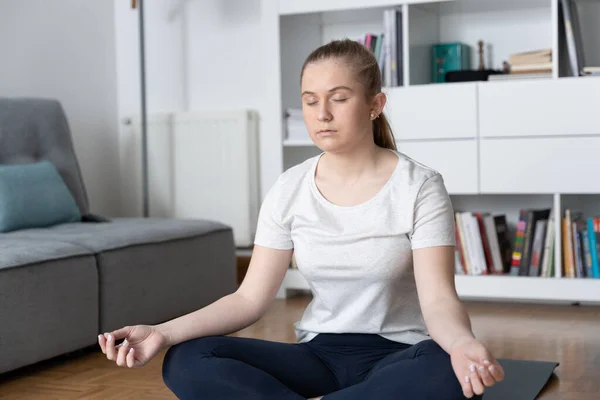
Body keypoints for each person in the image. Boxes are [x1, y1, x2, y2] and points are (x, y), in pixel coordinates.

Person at [98, 38, 505, 399]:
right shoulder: (289, 188)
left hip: (402, 354)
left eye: (339, 98)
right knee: (187, 357)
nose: (322, 113)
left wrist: (463, 342)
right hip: (318, 355)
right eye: (310, 100)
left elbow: (437, 300)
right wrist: (163, 332)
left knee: (447, 369)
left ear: (374, 106)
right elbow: (248, 299)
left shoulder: (419, 186)